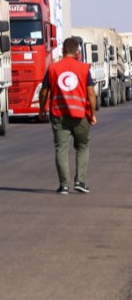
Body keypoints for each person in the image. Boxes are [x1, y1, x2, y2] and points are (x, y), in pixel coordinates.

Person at [38, 37, 97, 195]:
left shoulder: (53, 69)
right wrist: (92, 114)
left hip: (59, 115)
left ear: (63, 51)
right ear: (77, 52)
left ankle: (64, 185)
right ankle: (80, 182)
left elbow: (44, 92)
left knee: (61, 148)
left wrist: (41, 109)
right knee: (82, 147)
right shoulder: (84, 69)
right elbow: (91, 93)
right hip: (80, 115)